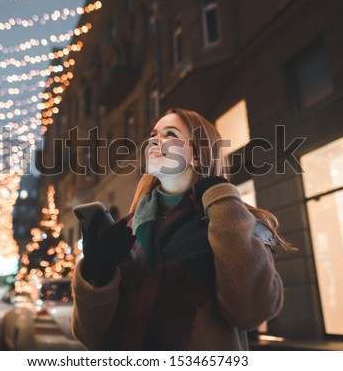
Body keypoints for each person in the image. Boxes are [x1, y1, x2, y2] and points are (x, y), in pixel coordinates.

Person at [72, 107, 295, 350]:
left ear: (197, 156)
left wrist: (221, 196)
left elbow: (251, 311)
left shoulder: (233, 221)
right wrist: (97, 275)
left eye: (169, 134)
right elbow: (89, 336)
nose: (154, 140)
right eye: (154, 133)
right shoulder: (127, 229)